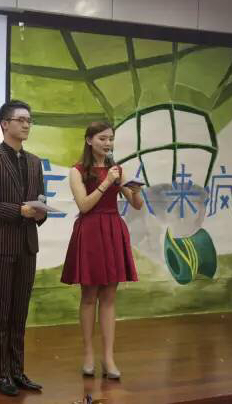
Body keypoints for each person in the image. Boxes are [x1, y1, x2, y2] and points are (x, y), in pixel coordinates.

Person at [0, 99, 46, 396]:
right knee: (1, 313)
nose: (27, 125)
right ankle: (2, 373)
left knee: (20, 313)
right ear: (5, 124)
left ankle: (17, 370)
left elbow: (39, 200)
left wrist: (40, 213)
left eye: (29, 120)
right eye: (21, 120)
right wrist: (18, 211)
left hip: (27, 245)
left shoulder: (35, 162)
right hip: (1, 246)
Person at [61, 121, 143, 380]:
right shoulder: (77, 171)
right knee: (89, 296)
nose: (108, 143)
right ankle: (88, 354)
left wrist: (136, 192)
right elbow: (84, 206)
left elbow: (137, 205)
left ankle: (108, 358)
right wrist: (107, 182)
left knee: (109, 297)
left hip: (112, 229)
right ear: (89, 140)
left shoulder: (117, 169)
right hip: (90, 231)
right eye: (102, 138)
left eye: (111, 139)